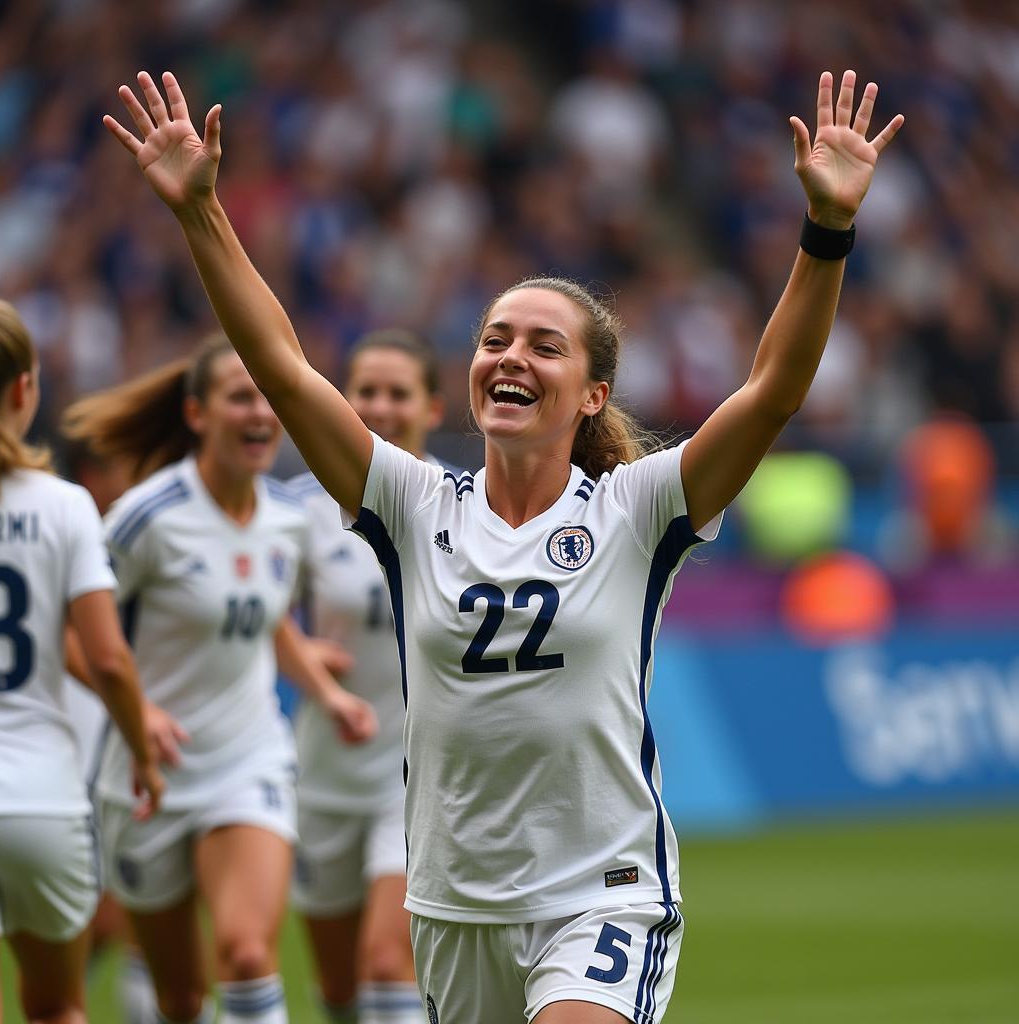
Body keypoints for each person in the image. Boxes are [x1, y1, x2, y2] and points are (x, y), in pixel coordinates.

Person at [105, 69, 902, 1024]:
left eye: (543, 345)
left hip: (602, 893)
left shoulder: (639, 509)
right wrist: (201, 213)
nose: (511, 356)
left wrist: (827, 233)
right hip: (455, 905)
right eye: (494, 338)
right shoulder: (409, 505)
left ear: (593, 395)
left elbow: (771, 391)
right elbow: (282, 366)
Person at [62, 335, 377, 1024]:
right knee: (178, 998)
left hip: (247, 760)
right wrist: (136, 711)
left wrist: (325, 693)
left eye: (268, 396)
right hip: (147, 775)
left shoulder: (288, 523)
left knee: (242, 952)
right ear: (199, 415)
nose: (260, 411)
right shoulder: (146, 518)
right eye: (241, 396)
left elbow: (269, 621)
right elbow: (71, 634)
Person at [0, 299, 164, 1024]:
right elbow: (110, 660)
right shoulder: (64, 506)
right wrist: (143, 753)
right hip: (42, 795)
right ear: (26, 390)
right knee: (60, 1007)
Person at [289, 329, 447, 1024]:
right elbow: (250, 613)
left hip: (414, 778)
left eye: (398, 393)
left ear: (433, 409)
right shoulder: (299, 509)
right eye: (366, 392)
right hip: (324, 770)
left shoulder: (459, 503)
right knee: (341, 991)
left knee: (388, 963)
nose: (380, 406)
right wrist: (300, 652)